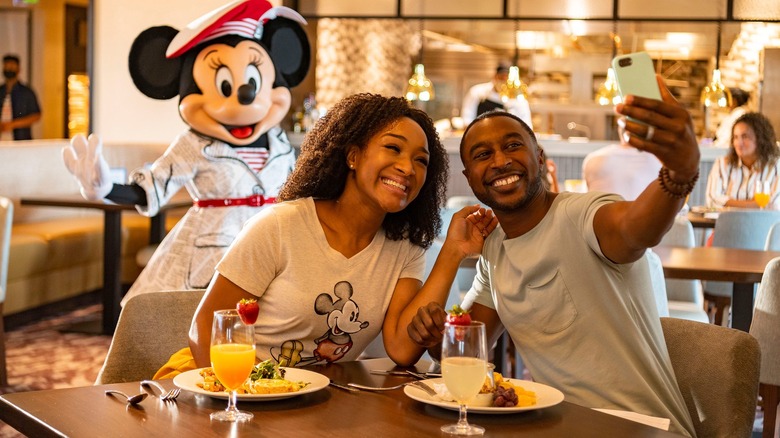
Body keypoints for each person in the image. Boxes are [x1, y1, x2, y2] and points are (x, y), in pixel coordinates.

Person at [407, 76, 701, 437]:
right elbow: (469, 354)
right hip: (558, 426)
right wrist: (435, 335)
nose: (500, 161)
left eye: (513, 146)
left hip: (641, 428)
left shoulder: (583, 215)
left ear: (540, 158)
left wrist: (680, 172)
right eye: (483, 155)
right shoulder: (494, 252)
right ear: (470, 179)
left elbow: (634, 230)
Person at [181, 93, 497, 373]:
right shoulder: (280, 227)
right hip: (233, 389)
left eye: (421, 161)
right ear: (353, 156)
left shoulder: (404, 247)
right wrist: (238, 401)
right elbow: (205, 327)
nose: (408, 168)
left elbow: (402, 349)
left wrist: (453, 251)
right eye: (393, 148)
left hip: (316, 407)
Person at [62, 0, 312, 303]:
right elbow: (153, 187)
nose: (245, 95)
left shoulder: (281, 144)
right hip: (212, 255)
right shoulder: (193, 145)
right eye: (223, 83)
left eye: (252, 80)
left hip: (273, 252)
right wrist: (106, 188)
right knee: (206, 326)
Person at [706, 112, 780, 209]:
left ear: (761, 138)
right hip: (728, 224)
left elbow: (774, 204)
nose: (738, 143)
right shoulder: (722, 164)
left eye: (745, 137)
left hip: (764, 224)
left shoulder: (776, 165)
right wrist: (753, 204)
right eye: (736, 137)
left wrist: (728, 202)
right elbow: (712, 200)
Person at [582, 125, 662, 201]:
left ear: (621, 129)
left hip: (600, 214)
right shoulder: (658, 160)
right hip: (641, 214)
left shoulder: (593, 158)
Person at [461, 61, 533, 129]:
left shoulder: (519, 100)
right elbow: (467, 120)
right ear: (495, 76)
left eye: (507, 79)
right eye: (501, 78)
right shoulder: (477, 92)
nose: (503, 82)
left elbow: (527, 126)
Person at [0, 54, 41, 141]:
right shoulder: (1, 91)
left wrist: (13, 124)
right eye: (6, 66)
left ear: (18, 69)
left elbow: (36, 115)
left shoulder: (26, 92)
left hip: (20, 139)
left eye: (12, 66)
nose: (9, 69)